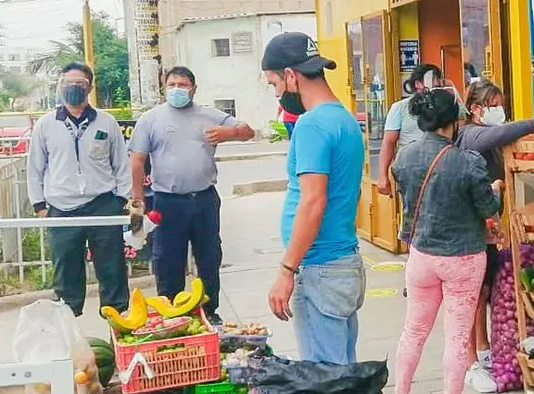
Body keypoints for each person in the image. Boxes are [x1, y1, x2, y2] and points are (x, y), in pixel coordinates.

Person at [388, 87, 502, 394]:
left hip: (421, 256)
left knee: (413, 331)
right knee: (455, 337)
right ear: (453, 122)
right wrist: (495, 190)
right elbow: (488, 210)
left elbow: (404, 189)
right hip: (463, 259)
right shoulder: (468, 162)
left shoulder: (404, 158)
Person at [261, 32, 366, 365]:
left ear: (291, 75)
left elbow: (313, 202)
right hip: (341, 263)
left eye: (274, 83)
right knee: (340, 374)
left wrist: (286, 270)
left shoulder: (312, 125)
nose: (277, 94)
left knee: (326, 385)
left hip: (320, 268)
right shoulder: (345, 119)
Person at [128, 66, 255, 325]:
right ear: (164, 87)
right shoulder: (150, 119)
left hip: (204, 200)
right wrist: (137, 213)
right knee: (167, 260)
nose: (177, 89)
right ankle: (171, 313)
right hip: (167, 202)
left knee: (209, 257)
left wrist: (229, 133)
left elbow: (247, 131)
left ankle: (210, 313)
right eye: (172, 84)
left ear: (193, 88)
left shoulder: (208, 115)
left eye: (183, 85)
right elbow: (137, 163)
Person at [455, 79, 534, 393]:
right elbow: (497, 133)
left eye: (501, 103)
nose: (499, 110)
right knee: (472, 296)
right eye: (493, 105)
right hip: (471, 229)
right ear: (476, 109)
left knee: (484, 292)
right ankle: (469, 361)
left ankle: (482, 348)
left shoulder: (489, 139)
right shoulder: (471, 134)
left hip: (490, 229)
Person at [27, 61, 131, 317]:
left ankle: (117, 328)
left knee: (112, 270)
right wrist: (40, 206)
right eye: (69, 83)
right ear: (61, 87)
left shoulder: (106, 123)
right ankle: (69, 334)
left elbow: (121, 164)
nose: (74, 88)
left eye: (80, 84)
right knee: (66, 273)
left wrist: (120, 200)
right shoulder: (46, 125)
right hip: (62, 209)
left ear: (90, 87)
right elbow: (35, 167)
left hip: (102, 204)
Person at [376, 64, 444, 196]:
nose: (438, 83)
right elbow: (389, 143)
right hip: (411, 172)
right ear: (418, 83)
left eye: (439, 79)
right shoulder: (399, 108)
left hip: (439, 170)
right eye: (434, 79)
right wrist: (382, 175)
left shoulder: (443, 107)